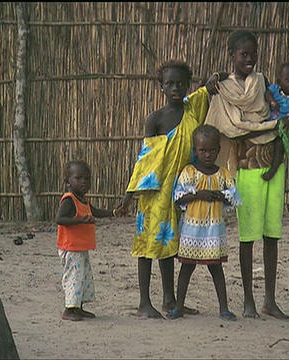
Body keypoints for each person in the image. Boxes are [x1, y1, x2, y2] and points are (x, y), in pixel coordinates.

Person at [115, 60, 222, 319]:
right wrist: (129, 197)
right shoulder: (155, 119)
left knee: (169, 246)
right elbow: (145, 160)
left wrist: (215, 78)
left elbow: (210, 87)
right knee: (146, 248)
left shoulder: (192, 108)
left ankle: (170, 300)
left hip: (180, 190)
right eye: (170, 84)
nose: (176, 88)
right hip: (155, 193)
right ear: (160, 86)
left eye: (181, 83)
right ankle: (143, 303)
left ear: (188, 85)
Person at [205, 29, 289, 319]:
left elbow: (278, 110)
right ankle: (248, 301)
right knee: (248, 236)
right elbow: (223, 123)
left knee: (272, 234)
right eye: (243, 54)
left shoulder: (262, 83)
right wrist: (211, 81)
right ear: (232, 55)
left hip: (273, 163)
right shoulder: (222, 87)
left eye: (253, 53)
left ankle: (269, 300)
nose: (249, 58)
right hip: (246, 167)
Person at [166, 124, 242, 321]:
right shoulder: (189, 172)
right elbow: (178, 197)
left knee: (216, 267)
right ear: (195, 151)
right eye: (203, 150)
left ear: (218, 149)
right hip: (192, 229)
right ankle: (179, 306)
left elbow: (234, 198)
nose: (208, 155)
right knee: (187, 267)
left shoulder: (223, 174)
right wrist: (199, 194)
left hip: (213, 230)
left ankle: (224, 308)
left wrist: (220, 196)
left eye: (212, 150)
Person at [55, 160, 117, 321]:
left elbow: (95, 211)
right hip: (70, 248)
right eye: (79, 178)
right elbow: (60, 219)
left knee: (83, 277)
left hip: (79, 248)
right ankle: (69, 309)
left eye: (87, 179)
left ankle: (78, 307)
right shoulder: (69, 200)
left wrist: (114, 212)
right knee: (74, 277)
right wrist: (81, 220)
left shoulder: (83, 199)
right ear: (68, 181)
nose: (84, 182)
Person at [263, 60, 289, 181]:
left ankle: (274, 169)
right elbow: (267, 93)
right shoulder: (275, 90)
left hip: (287, 129)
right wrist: (272, 101)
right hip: (271, 125)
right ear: (279, 81)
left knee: (280, 142)